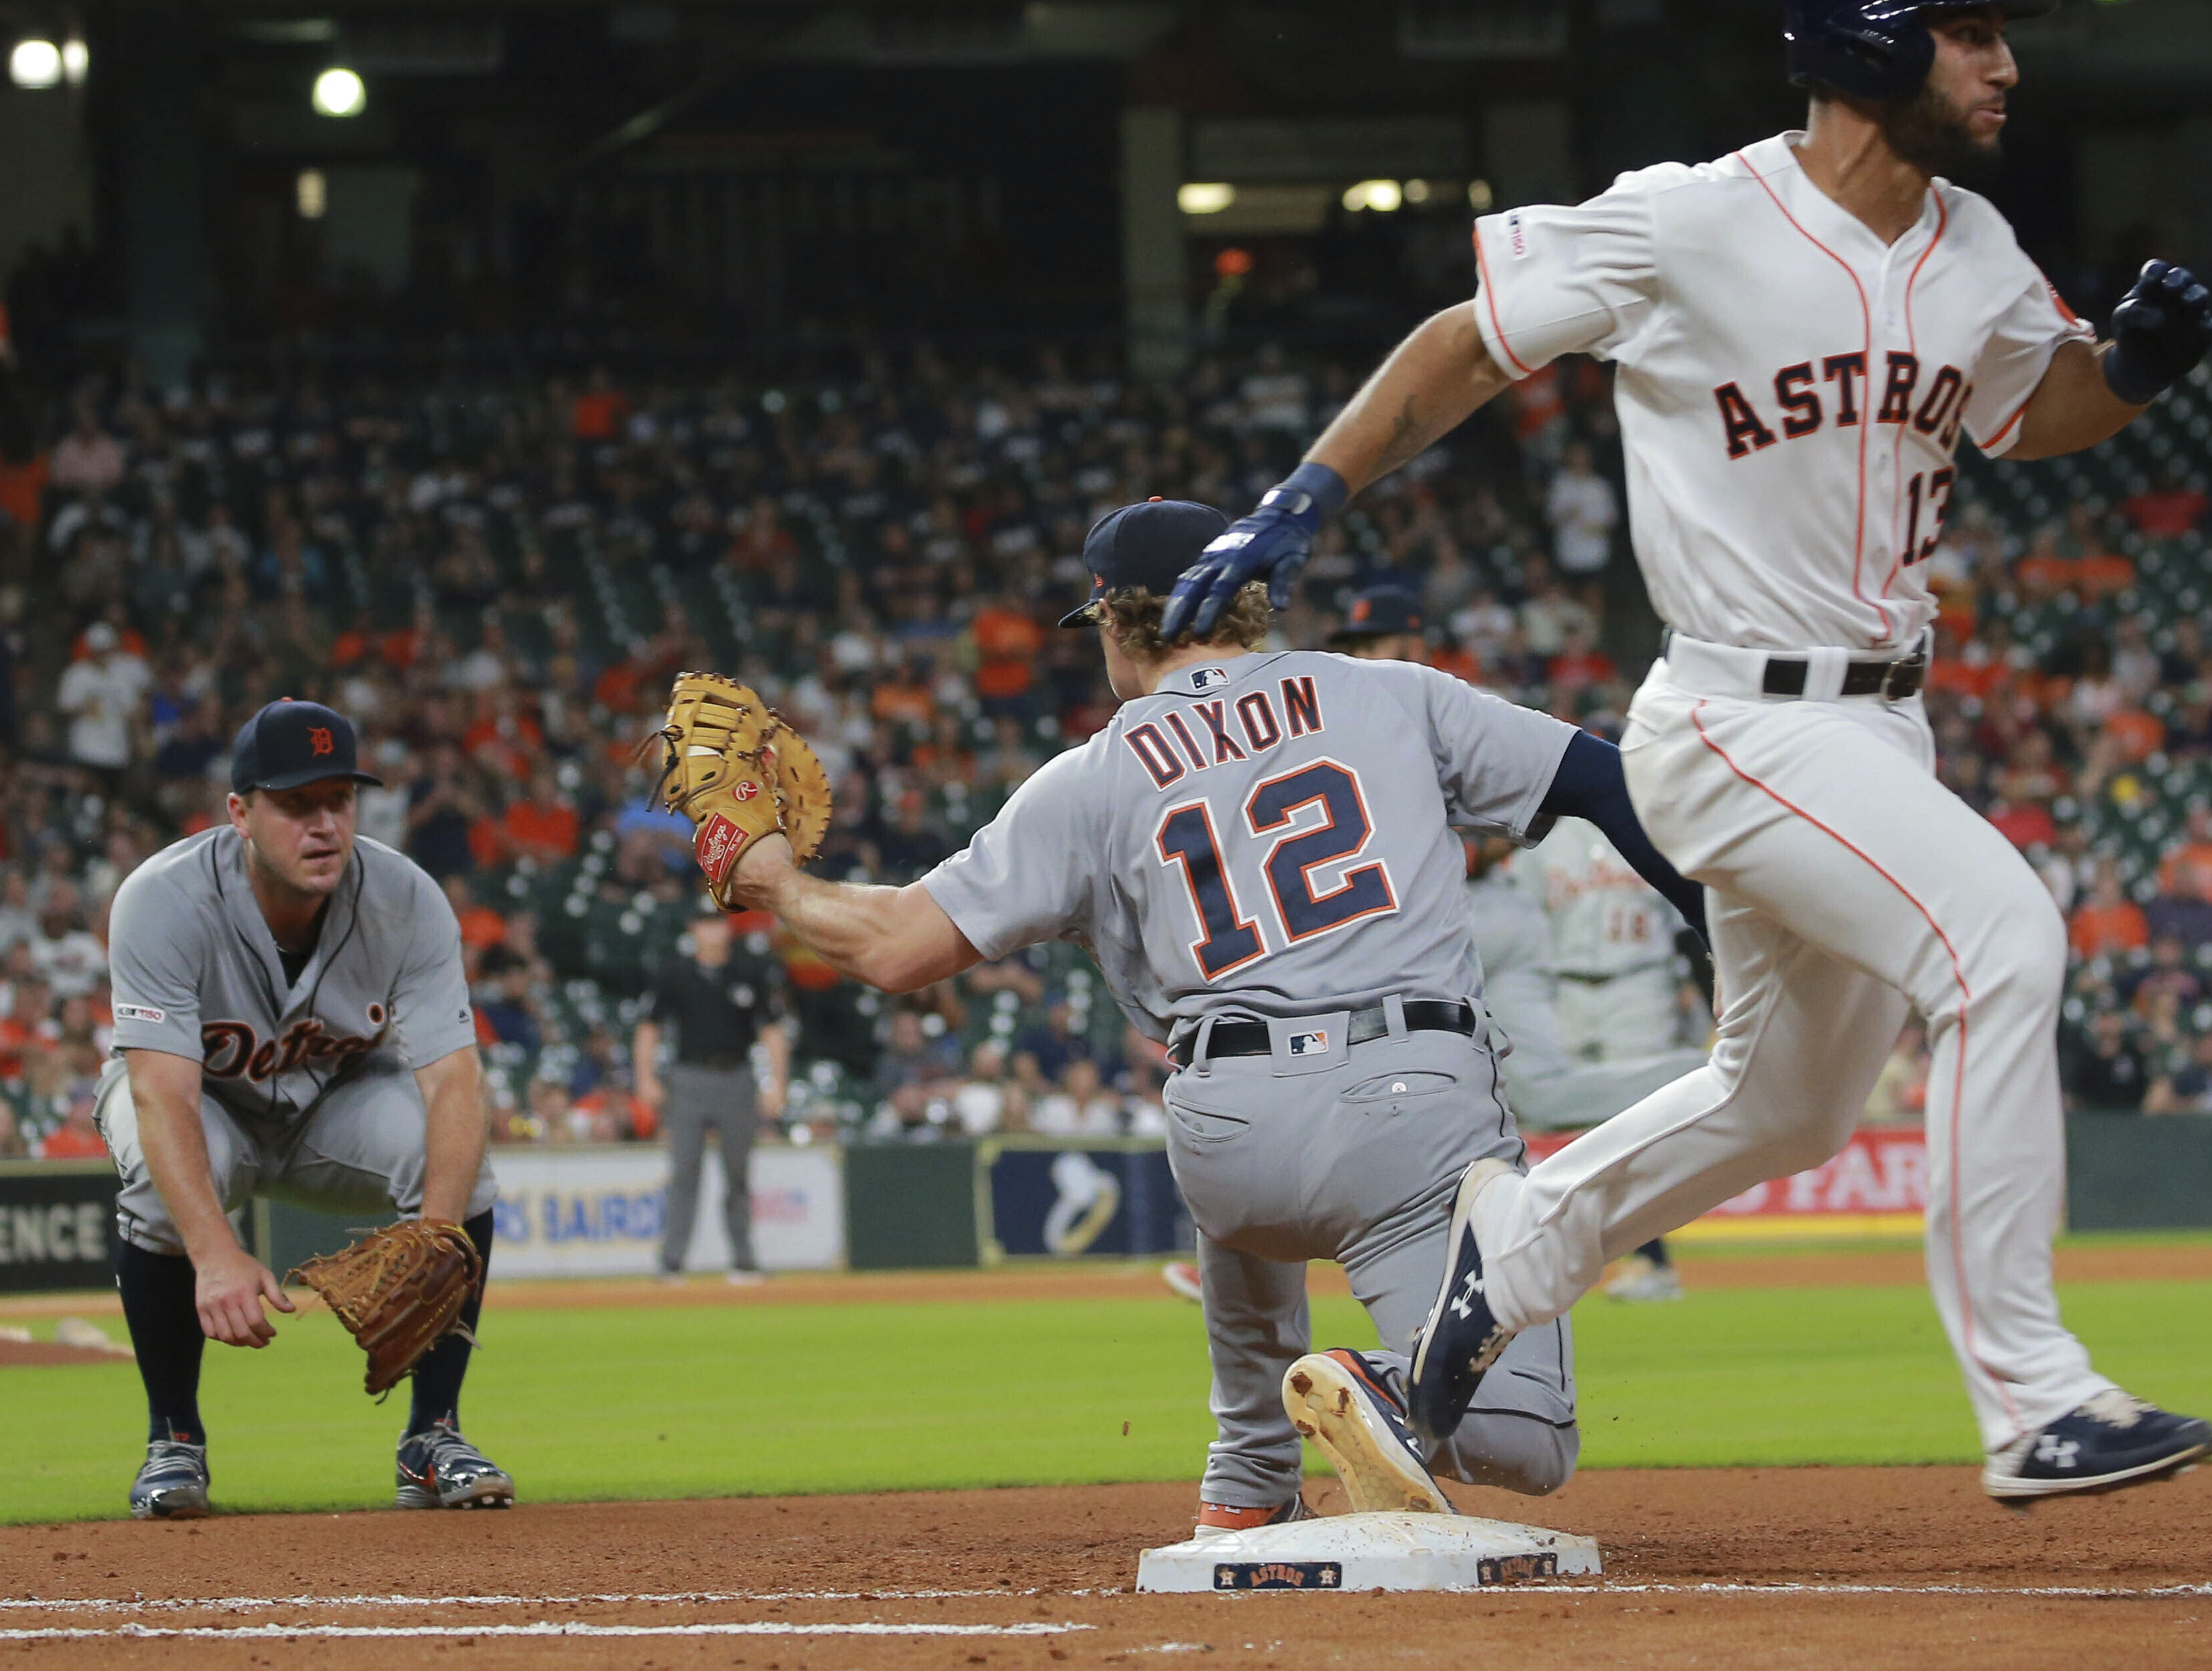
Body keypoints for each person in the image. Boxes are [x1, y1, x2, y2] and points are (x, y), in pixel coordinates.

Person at [1163, 0, 2212, 1504]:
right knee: (2001, 937)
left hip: (1877, 722)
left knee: (1781, 1103)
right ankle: (2034, 1395)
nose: (2005, 61)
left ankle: (1496, 1264)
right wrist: (1302, 496)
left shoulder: (1976, 248)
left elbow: (2033, 407)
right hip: (1735, 717)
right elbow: (1471, 340)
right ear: (1873, 42)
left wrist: (2127, 372)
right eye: (1972, 27)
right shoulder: (1685, 221)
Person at [717, 498, 1700, 1538]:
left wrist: (770, 876)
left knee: (1226, 1121)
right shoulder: (1385, 694)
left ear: (1114, 621)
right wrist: (1719, 935)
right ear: (1251, 599)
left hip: (1225, 1132)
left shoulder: (1088, 778)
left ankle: (1246, 1486)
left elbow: (892, 947)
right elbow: (1613, 785)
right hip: (1407, 1103)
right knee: (1527, 1437)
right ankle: (1380, 1389)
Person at [100, 699, 511, 1520]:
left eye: (339, 800)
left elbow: (456, 1082)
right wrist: (215, 1251)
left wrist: (436, 1240)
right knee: (165, 1172)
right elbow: (162, 1090)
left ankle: (433, 1433)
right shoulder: (162, 897)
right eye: (296, 804)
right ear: (241, 813)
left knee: (461, 1171)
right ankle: (172, 1439)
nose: (324, 824)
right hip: (204, 1103)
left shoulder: (407, 897)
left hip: (334, 1103)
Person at [1485, 818, 1707, 1302]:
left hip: (1639, 985)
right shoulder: (1544, 844)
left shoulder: (1648, 829)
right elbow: (1517, 916)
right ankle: (1592, 1248)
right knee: (1571, 1117)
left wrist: (1703, 998)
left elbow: (1688, 924)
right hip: (1562, 987)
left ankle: (1649, 1258)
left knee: (1636, 1123)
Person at [633, 913, 791, 1282]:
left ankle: (743, 1259)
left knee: (738, 1172)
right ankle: (672, 1261)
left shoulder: (747, 972)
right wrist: (645, 1078)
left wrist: (777, 1083)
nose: (713, 931)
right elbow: (649, 1027)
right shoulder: (675, 973)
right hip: (689, 1076)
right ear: (693, 929)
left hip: (736, 1076)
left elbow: (771, 1031)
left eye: (719, 923)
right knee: (684, 1170)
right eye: (705, 923)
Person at [1326, 584, 1427, 663]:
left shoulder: (1440, 686)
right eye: (1353, 649)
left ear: (1415, 647)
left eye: (1371, 647)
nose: (1360, 657)